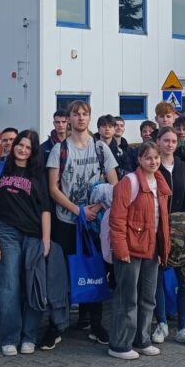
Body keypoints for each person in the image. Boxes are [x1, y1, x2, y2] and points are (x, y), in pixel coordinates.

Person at [47, 100, 119, 344]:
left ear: (89, 118)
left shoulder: (100, 148)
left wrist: (95, 208)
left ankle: (94, 324)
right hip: (66, 220)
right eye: (75, 114)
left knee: (95, 270)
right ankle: (57, 325)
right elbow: (53, 188)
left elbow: (114, 184)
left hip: (94, 221)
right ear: (68, 118)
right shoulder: (60, 149)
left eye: (84, 113)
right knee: (63, 274)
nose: (80, 117)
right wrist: (78, 210)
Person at [0, 130, 59, 355]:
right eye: (20, 145)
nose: (22, 150)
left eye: (28, 147)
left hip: (34, 235)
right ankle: (9, 337)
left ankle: (29, 336)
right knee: (8, 286)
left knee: (32, 286)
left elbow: (45, 209)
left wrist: (46, 240)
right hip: (7, 233)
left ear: (33, 151)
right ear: (14, 145)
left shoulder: (38, 173)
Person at [107, 141, 171, 360]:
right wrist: (121, 249)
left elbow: (162, 221)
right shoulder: (129, 182)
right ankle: (119, 345)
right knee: (127, 298)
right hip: (131, 249)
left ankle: (142, 340)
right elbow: (117, 219)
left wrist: (163, 249)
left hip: (152, 248)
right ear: (139, 159)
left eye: (156, 158)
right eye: (148, 158)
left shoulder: (160, 182)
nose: (153, 162)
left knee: (148, 297)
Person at [152, 127, 185, 347]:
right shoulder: (152, 167)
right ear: (158, 141)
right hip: (159, 232)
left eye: (173, 141)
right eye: (166, 140)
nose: (170, 144)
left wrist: (183, 226)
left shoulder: (184, 167)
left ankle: (183, 327)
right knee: (158, 278)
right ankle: (161, 323)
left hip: (183, 234)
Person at [96, 114, 134, 178]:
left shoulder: (121, 153)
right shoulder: (91, 148)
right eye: (104, 126)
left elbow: (129, 174)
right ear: (99, 129)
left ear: (114, 130)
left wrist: (114, 172)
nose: (107, 129)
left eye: (110, 126)